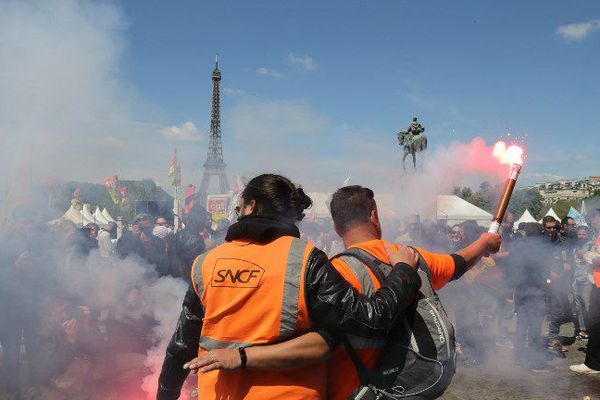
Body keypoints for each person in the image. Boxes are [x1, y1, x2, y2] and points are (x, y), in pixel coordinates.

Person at [183, 185, 501, 400]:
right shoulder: (410, 256)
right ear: (374, 214)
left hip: (352, 391)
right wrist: (485, 244)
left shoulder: (334, 272)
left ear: (336, 227)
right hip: (404, 384)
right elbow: (458, 264)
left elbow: (304, 344)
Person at [157, 175, 423, 400]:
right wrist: (404, 271)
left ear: (250, 206)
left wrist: (165, 395)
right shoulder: (305, 259)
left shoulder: (206, 263)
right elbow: (371, 317)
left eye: (238, 208)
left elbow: (181, 346)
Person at [508, 222, 553, 371]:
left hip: (521, 291)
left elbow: (513, 268)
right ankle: (534, 361)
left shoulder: (518, 246)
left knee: (521, 324)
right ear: (539, 232)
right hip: (536, 291)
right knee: (534, 326)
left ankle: (518, 357)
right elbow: (545, 269)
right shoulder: (542, 247)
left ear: (526, 232)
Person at [570, 209, 600, 374]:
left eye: (594, 219)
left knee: (595, 324)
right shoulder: (597, 234)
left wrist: (589, 255)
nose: (592, 222)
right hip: (596, 283)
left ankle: (593, 364)